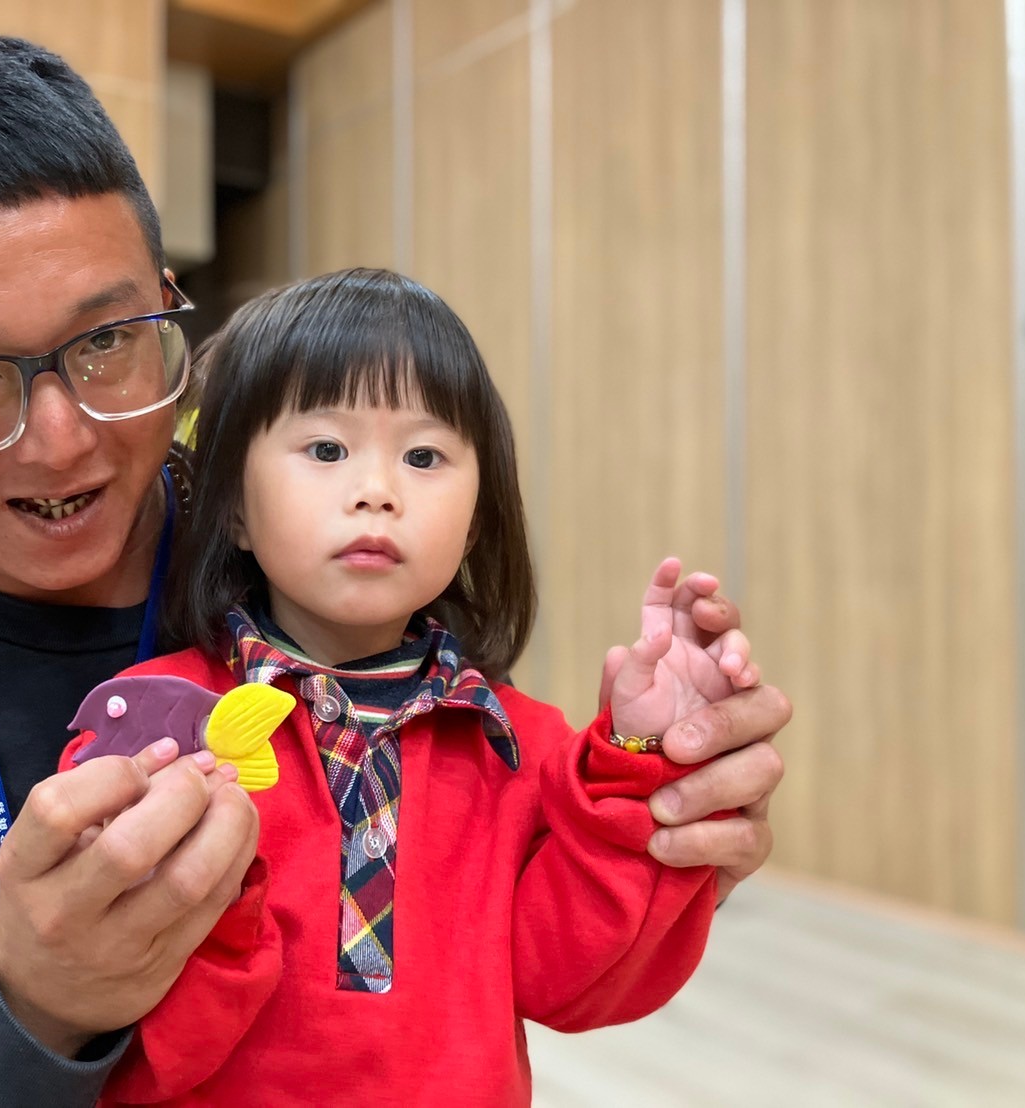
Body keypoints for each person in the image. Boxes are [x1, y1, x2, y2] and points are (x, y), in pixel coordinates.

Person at [0, 34, 790, 1108]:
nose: (64, 438)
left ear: (165, 296)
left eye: (109, 339)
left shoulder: (339, 574)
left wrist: (660, 821)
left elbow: (549, 933)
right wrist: (31, 1000)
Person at [59, 269, 764, 1106]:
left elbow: (576, 987)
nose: (377, 491)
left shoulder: (526, 745)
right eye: (326, 449)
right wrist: (210, 897)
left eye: (424, 456)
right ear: (235, 509)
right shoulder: (157, 721)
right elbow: (127, 1037)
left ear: (474, 524)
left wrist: (645, 757)